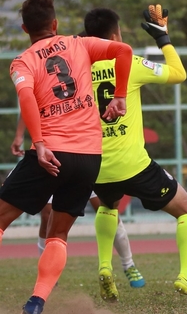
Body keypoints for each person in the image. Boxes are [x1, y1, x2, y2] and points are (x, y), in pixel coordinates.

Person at [0, 0, 132, 314]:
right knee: (58, 234)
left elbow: (27, 98)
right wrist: (120, 96)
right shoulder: (79, 44)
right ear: (55, 24)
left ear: (24, 28)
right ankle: (37, 301)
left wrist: (39, 142)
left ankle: (37, 301)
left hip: (51, 152)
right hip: (89, 157)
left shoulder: (23, 61)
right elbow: (124, 50)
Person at [84, 6, 187, 304]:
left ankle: (105, 267)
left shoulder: (78, 69)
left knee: (108, 206)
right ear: (115, 36)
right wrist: (163, 39)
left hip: (97, 165)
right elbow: (178, 74)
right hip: (134, 165)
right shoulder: (129, 63)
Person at [12, 117, 146, 288]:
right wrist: (19, 135)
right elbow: (29, 105)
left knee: (106, 208)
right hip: (55, 154)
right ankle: (47, 271)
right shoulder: (48, 99)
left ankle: (129, 264)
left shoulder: (86, 100)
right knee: (47, 215)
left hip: (84, 156)